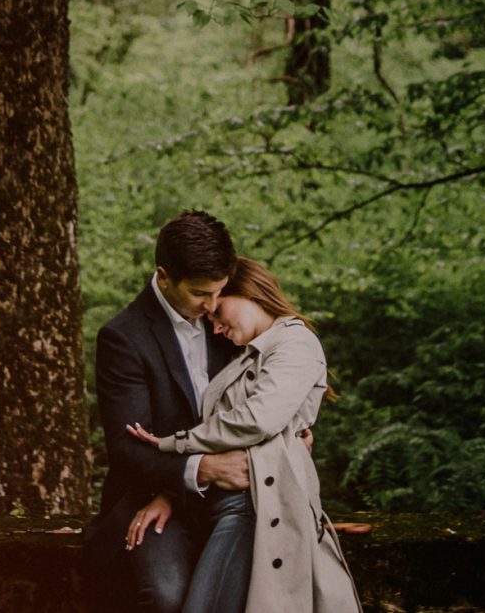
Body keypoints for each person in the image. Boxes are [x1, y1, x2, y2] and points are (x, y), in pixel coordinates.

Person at [125, 258, 361, 613]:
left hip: (256, 502)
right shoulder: (249, 353)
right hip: (226, 502)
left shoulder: (295, 342)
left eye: (218, 312)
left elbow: (256, 420)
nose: (215, 327)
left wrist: (173, 443)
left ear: (249, 292)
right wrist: (174, 488)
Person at [87, 211, 256, 613]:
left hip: (240, 497)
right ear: (164, 276)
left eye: (219, 291)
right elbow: (127, 449)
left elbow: (275, 380)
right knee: (167, 597)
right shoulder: (123, 338)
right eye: (200, 294)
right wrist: (201, 472)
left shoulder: (232, 313)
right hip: (150, 499)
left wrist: (297, 429)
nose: (213, 305)